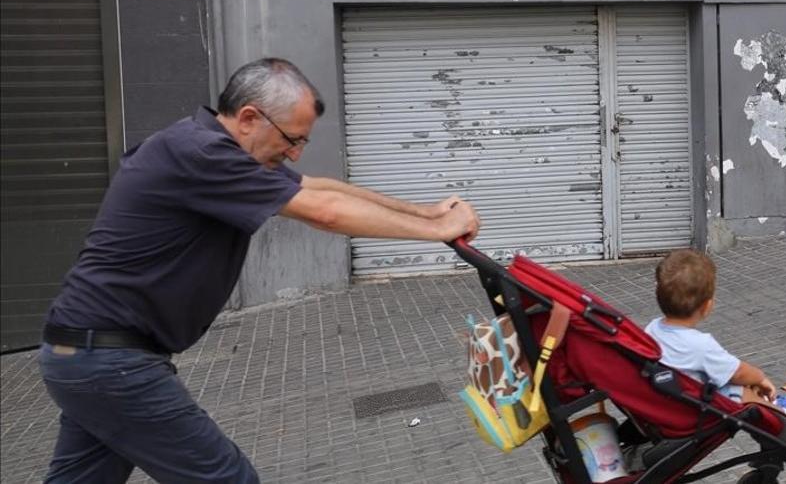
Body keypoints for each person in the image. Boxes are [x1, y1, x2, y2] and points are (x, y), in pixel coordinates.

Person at [38, 58, 481, 483]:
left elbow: (319, 189)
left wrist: (425, 213)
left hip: (85, 356)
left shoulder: (211, 151)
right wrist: (438, 232)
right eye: (292, 139)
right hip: (109, 362)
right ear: (249, 117)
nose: (294, 154)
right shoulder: (201, 153)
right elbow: (325, 213)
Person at [644, 250, 786, 430]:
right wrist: (761, 378)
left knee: (727, 378)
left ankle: (775, 403)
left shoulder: (652, 329)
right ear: (708, 306)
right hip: (693, 409)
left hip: (668, 400)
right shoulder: (700, 346)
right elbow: (738, 372)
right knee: (741, 389)